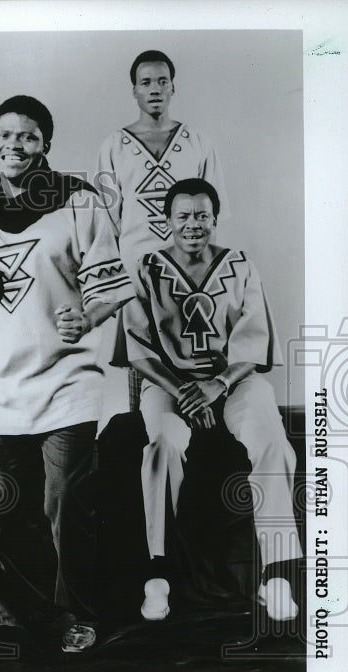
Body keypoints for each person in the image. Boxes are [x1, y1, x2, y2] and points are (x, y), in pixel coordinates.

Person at [0, 95, 134, 653]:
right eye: (4, 134)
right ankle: (34, 617)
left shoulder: (79, 203)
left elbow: (111, 285)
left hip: (70, 381)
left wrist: (89, 314)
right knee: (5, 514)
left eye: (28, 136)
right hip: (2, 386)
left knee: (65, 508)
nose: (14, 145)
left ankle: (77, 613)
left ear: (46, 144)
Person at [113, 178, 302, 622]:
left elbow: (254, 343)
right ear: (167, 221)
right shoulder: (147, 268)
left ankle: (277, 574)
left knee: (273, 442)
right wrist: (184, 392)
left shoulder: (239, 265)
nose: (193, 225)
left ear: (215, 219)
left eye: (202, 216)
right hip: (170, 383)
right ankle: (158, 575)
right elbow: (138, 351)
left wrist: (217, 385)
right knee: (162, 445)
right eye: (183, 216)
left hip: (232, 381)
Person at [96, 50, 229, 408]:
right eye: (145, 82)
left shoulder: (198, 142)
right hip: (136, 272)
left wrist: (205, 274)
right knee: (143, 364)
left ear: (173, 87)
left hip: (188, 272)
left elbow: (212, 216)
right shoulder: (113, 146)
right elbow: (108, 220)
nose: (154, 89)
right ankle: (145, 444)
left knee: (192, 357)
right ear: (134, 91)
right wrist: (119, 280)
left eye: (162, 81)